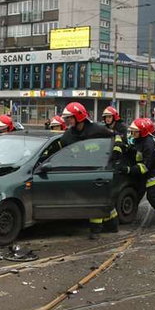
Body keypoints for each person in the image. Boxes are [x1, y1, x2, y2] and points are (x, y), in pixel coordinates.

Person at [59, 102, 120, 239]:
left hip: (99, 170)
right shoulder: (68, 136)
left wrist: (116, 151)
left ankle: (96, 231)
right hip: (81, 171)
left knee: (95, 200)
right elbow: (62, 151)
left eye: (69, 118)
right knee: (102, 201)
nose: (67, 121)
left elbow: (116, 137)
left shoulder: (97, 130)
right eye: (66, 118)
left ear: (79, 117)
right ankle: (112, 225)